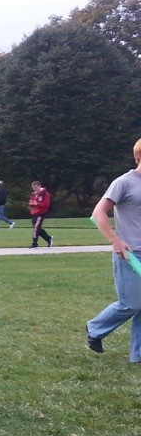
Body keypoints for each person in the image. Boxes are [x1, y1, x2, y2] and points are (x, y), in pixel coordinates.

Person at [86, 139, 141, 358]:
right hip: (129, 252)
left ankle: (138, 355)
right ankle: (94, 328)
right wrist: (115, 241)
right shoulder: (124, 182)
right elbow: (98, 213)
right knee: (131, 303)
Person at [29, 179, 54, 247]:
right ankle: (49, 239)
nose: (35, 189)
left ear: (39, 186)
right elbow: (31, 203)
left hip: (41, 212)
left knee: (36, 227)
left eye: (36, 187)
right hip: (34, 212)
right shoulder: (33, 194)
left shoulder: (45, 194)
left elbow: (46, 204)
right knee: (37, 227)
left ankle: (34, 243)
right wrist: (32, 203)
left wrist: (36, 203)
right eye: (33, 188)